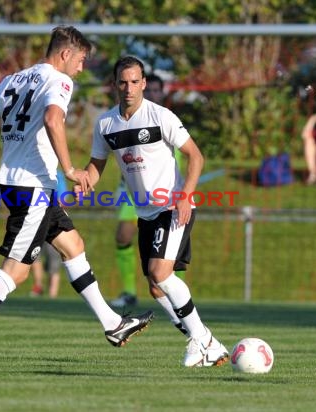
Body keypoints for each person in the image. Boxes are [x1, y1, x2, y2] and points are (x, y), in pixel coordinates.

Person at [0, 27, 153, 366]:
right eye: (80, 61)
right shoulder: (59, 81)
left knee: (72, 246)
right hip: (33, 188)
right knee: (15, 272)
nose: (80, 68)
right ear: (65, 54)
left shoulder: (10, 81)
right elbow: (52, 119)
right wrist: (71, 169)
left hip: (20, 185)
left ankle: (112, 323)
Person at [78, 56, 229, 367]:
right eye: (123, 82)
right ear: (114, 84)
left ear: (144, 84)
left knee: (161, 273)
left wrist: (186, 196)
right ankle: (206, 344)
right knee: (155, 285)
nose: (129, 88)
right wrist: (83, 181)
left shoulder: (161, 116)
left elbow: (195, 157)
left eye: (135, 82)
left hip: (172, 206)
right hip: (144, 211)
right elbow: (96, 167)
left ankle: (202, 339)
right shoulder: (106, 124)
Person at [110, 74, 187, 316]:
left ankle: (175, 291)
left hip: (164, 194)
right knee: (123, 235)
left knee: (165, 260)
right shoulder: (122, 117)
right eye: (150, 89)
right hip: (133, 192)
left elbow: (186, 156)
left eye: (156, 90)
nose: (152, 93)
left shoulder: (165, 118)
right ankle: (129, 291)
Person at [30, 170, 66, 298]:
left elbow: (63, 199)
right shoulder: (32, 172)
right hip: (35, 221)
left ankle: (52, 295)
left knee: (54, 262)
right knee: (34, 255)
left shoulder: (57, 175)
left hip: (52, 221)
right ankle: (38, 286)